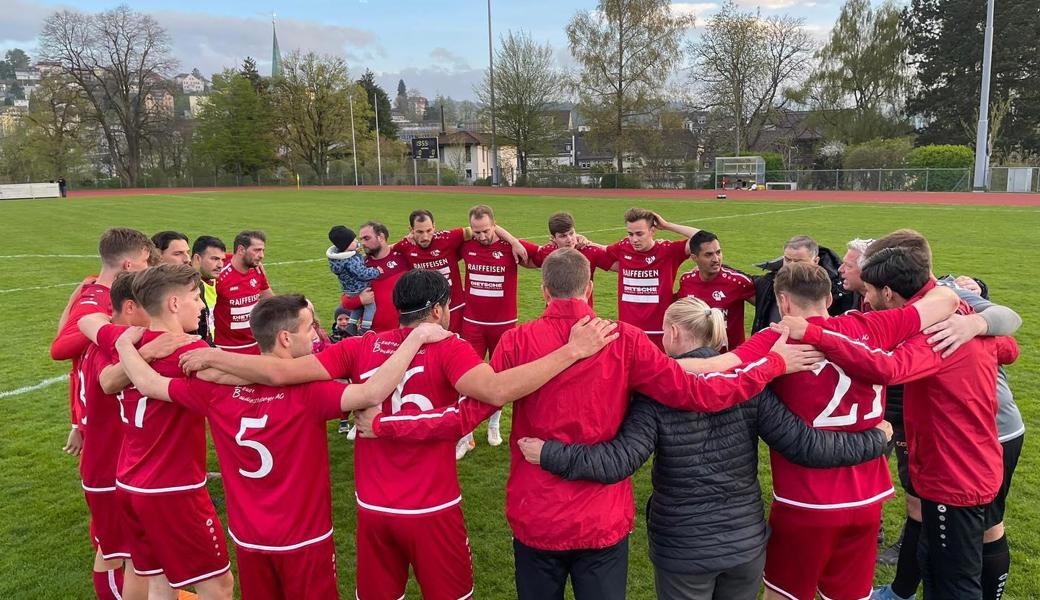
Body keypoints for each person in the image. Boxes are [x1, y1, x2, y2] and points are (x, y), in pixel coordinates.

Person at [357, 248, 825, 600]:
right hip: (600, 520)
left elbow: (466, 417)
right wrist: (769, 367)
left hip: (535, 515)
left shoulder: (519, 341)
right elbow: (696, 393)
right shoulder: (624, 340)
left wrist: (389, 426)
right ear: (588, 291)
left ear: (543, 291)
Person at [177, 268, 619, 600]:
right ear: (440, 309)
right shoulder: (448, 347)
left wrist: (214, 357)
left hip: (372, 509)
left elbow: (280, 372)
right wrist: (573, 350)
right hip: (432, 508)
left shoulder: (360, 345)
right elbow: (500, 390)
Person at [516, 296, 893, 600]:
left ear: (675, 333)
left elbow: (620, 460)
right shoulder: (750, 385)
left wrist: (549, 453)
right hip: (744, 545)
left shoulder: (656, 396)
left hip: (684, 550)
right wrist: (875, 439)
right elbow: (806, 445)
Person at [111, 293, 450, 600]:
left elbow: (149, 383)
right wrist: (417, 337)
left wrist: (127, 347)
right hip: (305, 541)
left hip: (249, 539)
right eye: (309, 328)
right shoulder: (311, 393)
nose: (317, 336)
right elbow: (373, 392)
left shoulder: (216, 390)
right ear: (286, 338)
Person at [777, 247, 1019, 600]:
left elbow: (887, 368)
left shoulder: (937, 335)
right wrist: (980, 325)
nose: (867, 299)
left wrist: (817, 334)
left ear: (887, 292)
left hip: (953, 472)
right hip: (974, 460)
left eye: (869, 292)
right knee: (937, 561)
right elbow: (1010, 349)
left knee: (956, 579)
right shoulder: (960, 317)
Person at [78, 264, 234, 599]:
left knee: (160, 581)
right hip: (175, 488)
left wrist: (130, 351)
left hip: (130, 483)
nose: (203, 305)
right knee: (218, 585)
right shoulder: (190, 353)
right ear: (174, 304)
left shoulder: (125, 341)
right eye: (196, 297)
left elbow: (91, 335)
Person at [50, 227, 154, 455]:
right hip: (104, 413)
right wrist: (103, 325)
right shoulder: (95, 302)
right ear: (127, 265)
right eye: (144, 262)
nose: (147, 268)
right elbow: (60, 350)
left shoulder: (101, 291)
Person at [455, 204, 540, 457]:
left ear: (495, 225)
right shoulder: (466, 245)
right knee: (464, 379)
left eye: (486, 231)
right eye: (477, 232)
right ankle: (466, 435)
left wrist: (512, 240)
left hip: (503, 326)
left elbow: (543, 257)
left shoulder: (509, 248)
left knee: (500, 378)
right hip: (472, 324)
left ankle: (494, 425)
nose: (481, 237)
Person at [392, 208, 529, 333]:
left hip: (454, 309)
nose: (426, 236)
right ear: (411, 229)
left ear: (434, 226)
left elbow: (486, 227)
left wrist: (513, 241)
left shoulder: (449, 237)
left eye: (429, 230)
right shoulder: (405, 245)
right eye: (420, 232)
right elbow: (386, 251)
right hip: (425, 311)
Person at [602, 208, 700, 350]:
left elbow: (704, 238)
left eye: (639, 234)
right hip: (628, 332)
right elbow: (602, 251)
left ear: (653, 231)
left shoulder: (668, 251)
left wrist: (667, 225)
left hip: (660, 333)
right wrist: (583, 241)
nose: (634, 239)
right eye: (630, 234)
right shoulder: (623, 248)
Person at [750, 235, 855, 333]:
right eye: (787, 259)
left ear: (815, 261)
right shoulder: (769, 282)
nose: (791, 265)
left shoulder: (839, 290)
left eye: (798, 261)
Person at [677, 230, 755, 350]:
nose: (716, 259)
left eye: (718, 252)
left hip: (730, 358)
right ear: (694, 258)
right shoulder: (686, 281)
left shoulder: (737, 282)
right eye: (708, 255)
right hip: (697, 356)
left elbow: (765, 305)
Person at [340, 221, 411, 333]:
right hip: (373, 336)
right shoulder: (360, 266)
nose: (363, 243)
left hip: (403, 333)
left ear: (381, 237)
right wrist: (360, 299)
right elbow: (346, 302)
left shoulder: (403, 259)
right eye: (361, 239)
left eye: (367, 238)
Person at [528, 212, 611, 308]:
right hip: (555, 315)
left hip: (582, 315)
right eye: (563, 236)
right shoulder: (548, 252)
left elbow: (616, 263)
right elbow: (527, 261)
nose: (569, 239)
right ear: (553, 238)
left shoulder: (589, 251)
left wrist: (591, 243)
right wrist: (513, 242)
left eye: (571, 233)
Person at [214, 230, 273, 354]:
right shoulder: (219, 274)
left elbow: (270, 300)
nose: (262, 255)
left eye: (263, 250)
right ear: (241, 250)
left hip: (257, 344)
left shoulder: (257, 270)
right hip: (227, 348)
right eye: (256, 250)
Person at [327, 225, 381, 335]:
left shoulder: (339, 259)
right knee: (370, 306)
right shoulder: (350, 260)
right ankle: (365, 328)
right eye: (353, 240)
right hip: (359, 288)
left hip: (349, 290)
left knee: (359, 307)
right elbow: (362, 273)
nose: (357, 241)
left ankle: (351, 325)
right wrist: (377, 272)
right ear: (346, 245)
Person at [191, 235, 226, 346]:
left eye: (222, 260)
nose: (220, 265)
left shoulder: (212, 279)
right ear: (197, 259)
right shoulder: (188, 288)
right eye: (215, 259)